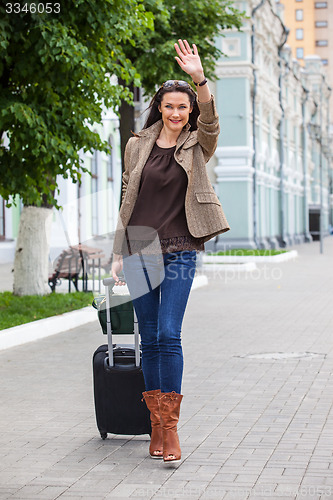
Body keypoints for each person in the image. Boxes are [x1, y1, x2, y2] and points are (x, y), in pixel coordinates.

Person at [111, 39, 230, 463]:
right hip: (140, 248)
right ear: (159, 109)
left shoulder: (198, 144)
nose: (177, 114)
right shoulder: (137, 144)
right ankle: (156, 427)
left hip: (180, 248)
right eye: (169, 107)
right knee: (150, 341)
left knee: (168, 334)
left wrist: (199, 79)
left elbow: (213, 124)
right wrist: (117, 252)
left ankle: (172, 429)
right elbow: (128, 197)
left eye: (183, 107)